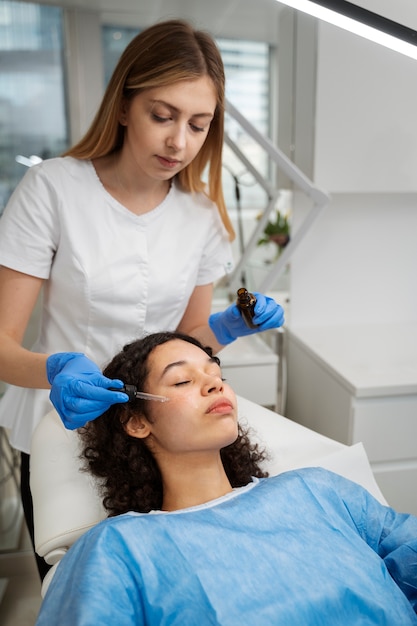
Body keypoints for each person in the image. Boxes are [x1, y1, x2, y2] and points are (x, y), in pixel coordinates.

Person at [0, 19, 284, 580]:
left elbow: (189, 337)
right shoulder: (54, 189)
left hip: (158, 434)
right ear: (125, 105)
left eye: (199, 125)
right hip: (59, 422)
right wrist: (55, 369)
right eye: (163, 116)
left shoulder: (202, 215)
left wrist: (224, 329)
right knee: (79, 584)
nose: (179, 142)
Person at [35, 331, 417, 625]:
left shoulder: (316, 489)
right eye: (183, 381)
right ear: (136, 421)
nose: (215, 384)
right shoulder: (119, 547)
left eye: (217, 374)